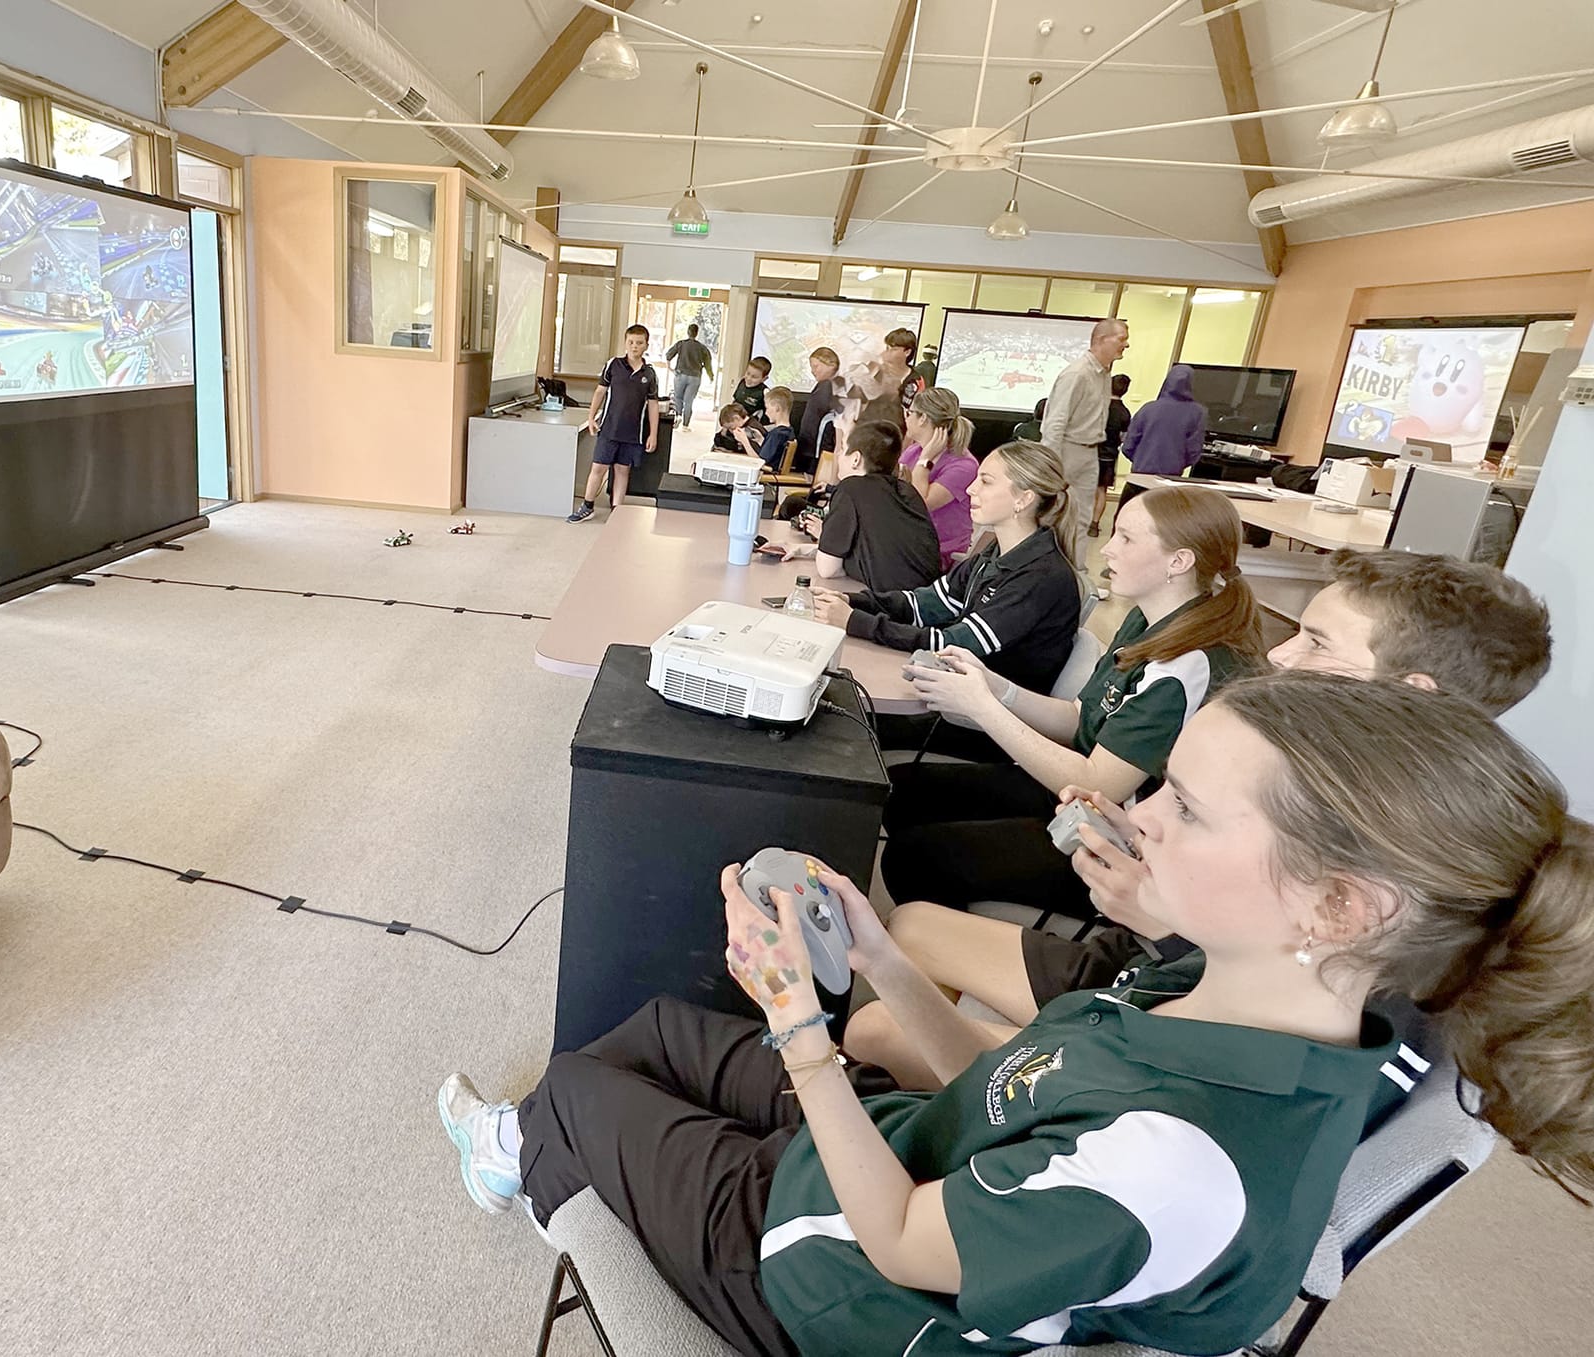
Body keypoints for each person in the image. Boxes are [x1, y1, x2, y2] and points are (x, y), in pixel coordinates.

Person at [439, 673, 1594, 1357]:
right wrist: (883, 959)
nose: (1141, 816)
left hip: (838, 1279)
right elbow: (1009, 1085)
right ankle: (529, 1145)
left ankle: (524, 1156)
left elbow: (899, 1240)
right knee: (651, 1028)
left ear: (1338, 904)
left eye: (1187, 810)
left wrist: (797, 1025)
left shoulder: (1182, 1161)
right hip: (926, 1160)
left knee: (576, 1090)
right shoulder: (1216, 988)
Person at [849, 550, 1557, 1057]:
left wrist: (1156, 916)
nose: (1280, 656)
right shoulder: (1345, 791)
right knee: (905, 928)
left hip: (1156, 1007)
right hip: (1151, 966)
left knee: (875, 1026)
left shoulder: (1387, 860)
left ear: (1411, 692)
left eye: (1316, 642)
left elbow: (1258, 1011)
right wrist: (1147, 851)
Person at [877, 485, 1264, 918]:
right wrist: (995, 687)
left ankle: (956, 943)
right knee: (901, 794)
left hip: (1122, 843)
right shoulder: (1147, 619)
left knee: (914, 858)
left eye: (1126, 538)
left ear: (1179, 561)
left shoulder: (1187, 662)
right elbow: (1080, 717)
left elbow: (1102, 784)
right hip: (1078, 798)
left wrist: (982, 707)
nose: (1108, 550)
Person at [815, 440, 1080, 697]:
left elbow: (955, 644)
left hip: (980, 714)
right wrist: (852, 601)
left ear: (1024, 499)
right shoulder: (995, 554)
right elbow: (923, 605)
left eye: (986, 481)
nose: (971, 489)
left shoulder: (1040, 576)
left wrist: (856, 622)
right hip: (955, 691)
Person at [758, 420, 939, 593]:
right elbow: (870, 556)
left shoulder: (850, 489)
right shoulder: (906, 490)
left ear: (856, 459)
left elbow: (828, 569)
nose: (838, 455)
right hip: (922, 597)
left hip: (891, 603)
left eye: (843, 449)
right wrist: (799, 548)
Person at [1041, 319, 1129, 566]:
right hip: (1067, 451)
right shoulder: (1077, 374)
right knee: (1051, 515)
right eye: (1122, 338)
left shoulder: (1104, 374)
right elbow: (1055, 423)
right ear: (1101, 339)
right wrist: (1051, 466)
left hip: (1090, 452)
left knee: (1081, 519)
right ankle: (1040, 571)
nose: (1126, 345)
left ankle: (1076, 572)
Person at [570, 323, 659, 523]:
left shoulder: (650, 374)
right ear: (625, 343)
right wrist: (591, 417)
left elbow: (653, 405)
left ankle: (617, 511)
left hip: (633, 433)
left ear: (646, 345)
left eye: (639, 343)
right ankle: (587, 506)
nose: (634, 346)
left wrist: (653, 434)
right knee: (598, 468)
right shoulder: (613, 365)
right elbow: (600, 391)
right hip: (609, 429)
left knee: (622, 470)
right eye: (631, 342)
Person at [898, 387, 979, 570]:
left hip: (940, 554)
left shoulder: (963, 465)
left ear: (923, 418)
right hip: (909, 542)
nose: (906, 418)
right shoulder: (913, 450)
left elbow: (921, 503)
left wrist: (924, 461)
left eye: (909, 413)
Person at [1118, 364, 1208, 507]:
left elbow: (1128, 445)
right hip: (1170, 480)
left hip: (1139, 476)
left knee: (1128, 515)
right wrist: (1177, 463)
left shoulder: (1148, 409)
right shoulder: (1198, 413)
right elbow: (1194, 451)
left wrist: (1142, 461)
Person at [853, 328, 926, 431]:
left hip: (896, 432)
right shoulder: (875, 370)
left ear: (907, 352)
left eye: (893, 349)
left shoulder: (916, 380)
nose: (887, 352)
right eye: (887, 348)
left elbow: (915, 413)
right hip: (866, 428)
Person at [1091, 374, 1131, 537]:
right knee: (1102, 491)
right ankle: (1094, 524)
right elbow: (1123, 438)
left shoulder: (1097, 407)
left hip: (1090, 453)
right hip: (1109, 456)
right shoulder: (1125, 413)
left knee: (1084, 489)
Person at [797, 347, 843, 468]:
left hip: (817, 450)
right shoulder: (823, 385)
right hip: (810, 448)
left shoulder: (831, 386)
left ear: (831, 365)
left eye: (816, 366)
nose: (812, 371)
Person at [666, 323, 715, 430]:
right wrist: (711, 376)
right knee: (689, 401)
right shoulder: (702, 348)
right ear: (697, 333)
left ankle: (678, 416)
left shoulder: (681, 344)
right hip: (695, 377)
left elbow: (668, 355)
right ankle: (685, 425)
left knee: (678, 398)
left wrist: (670, 368)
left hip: (680, 374)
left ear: (688, 332)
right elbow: (708, 363)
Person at [755, 387, 796, 472]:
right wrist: (761, 440)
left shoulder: (776, 434)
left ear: (777, 408)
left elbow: (760, 463)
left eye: (767, 408)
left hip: (767, 476)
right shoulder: (788, 431)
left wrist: (744, 441)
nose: (766, 413)